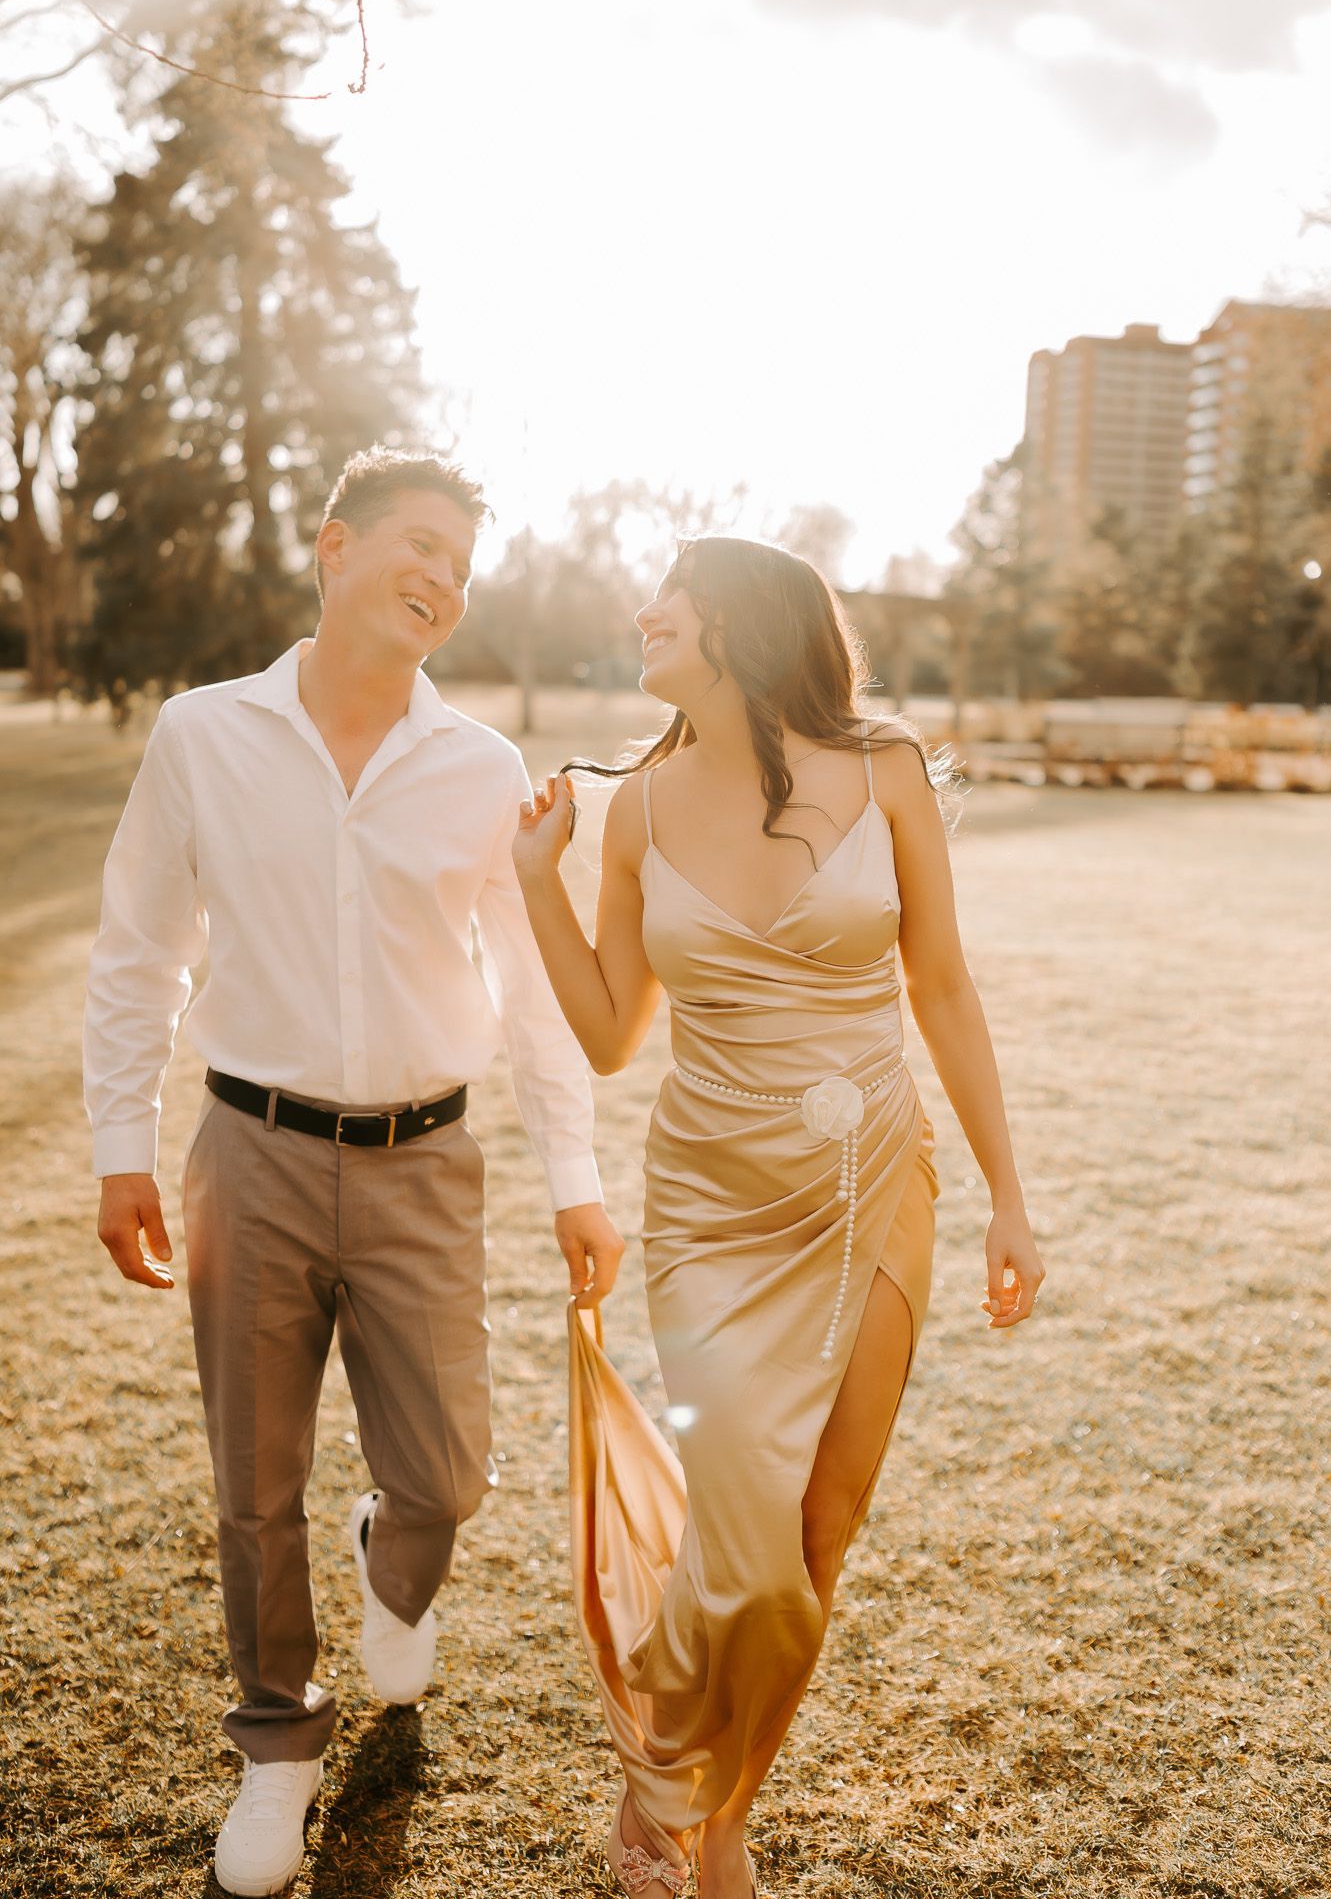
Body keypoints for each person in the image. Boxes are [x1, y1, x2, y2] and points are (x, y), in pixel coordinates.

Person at [83, 446, 624, 1898]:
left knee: (446, 1470)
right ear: (334, 546)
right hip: (245, 1156)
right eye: (420, 544)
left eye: (462, 561)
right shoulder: (201, 736)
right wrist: (119, 1148)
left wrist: (574, 1172)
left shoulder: (481, 767)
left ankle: (397, 1556)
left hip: (424, 1166)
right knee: (255, 1485)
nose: (442, 579)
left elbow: (526, 983)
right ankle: (276, 1750)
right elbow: (140, 949)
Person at [513, 536, 1045, 1899]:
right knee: (746, 1546)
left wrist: (1009, 1200)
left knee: (818, 1532)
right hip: (710, 1205)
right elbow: (613, 1032)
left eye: (669, 601)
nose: (643, 613)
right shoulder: (632, 808)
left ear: (741, 628)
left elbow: (946, 990)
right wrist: (535, 884)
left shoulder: (887, 772)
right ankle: (664, 1774)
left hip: (877, 1185)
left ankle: (722, 1816)